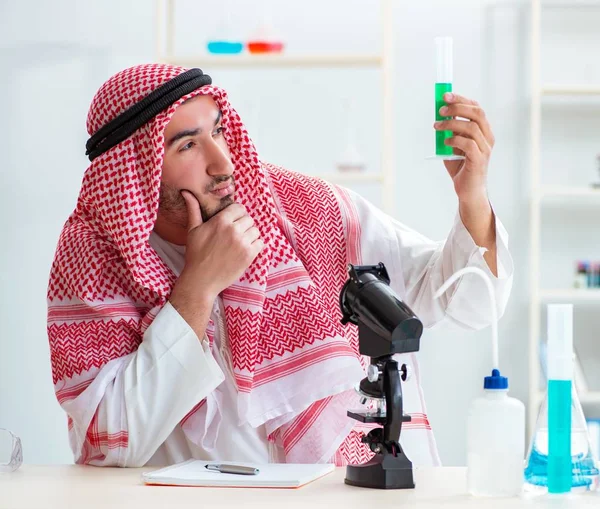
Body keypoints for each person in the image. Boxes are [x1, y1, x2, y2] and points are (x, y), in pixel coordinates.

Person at [47, 64, 513, 468]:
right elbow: (112, 440)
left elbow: (467, 302)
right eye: (187, 146)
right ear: (136, 168)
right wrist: (198, 287)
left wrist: (472, 197)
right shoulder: (94, 256)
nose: (222, 162)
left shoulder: (304, 211)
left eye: (218, 132)